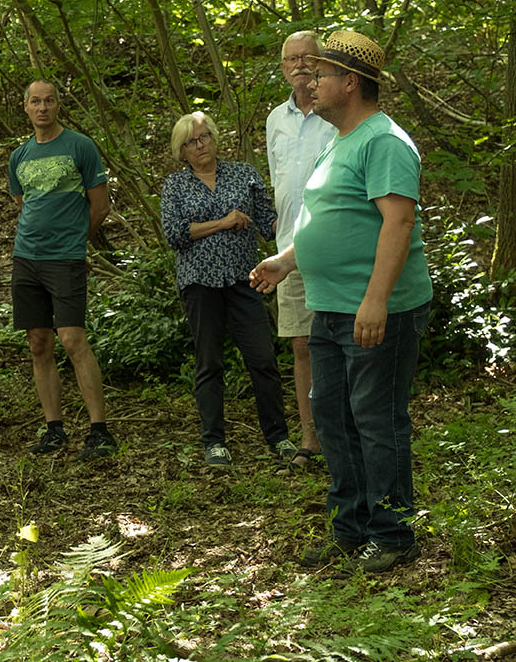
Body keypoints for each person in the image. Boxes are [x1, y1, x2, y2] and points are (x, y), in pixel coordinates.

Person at [251, 30, 432, 574]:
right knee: (332, 416)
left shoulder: (384, 142)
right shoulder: (341, 138)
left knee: (376, 419)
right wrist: (287, 260)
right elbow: (327, 218)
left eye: (321, 74)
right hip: (329, 306)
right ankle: (351, 527)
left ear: (349, 83)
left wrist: (375, 301)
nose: (309, 82)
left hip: (377, 310)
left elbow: (398, 223)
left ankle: (394, 533)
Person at [161, 112, 296, 468]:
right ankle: (214, 442)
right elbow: (175, 234)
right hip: (199, 284)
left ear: (216, 139)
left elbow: (268, 222)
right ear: (181, 151)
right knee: (209, 362)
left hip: (243, 279)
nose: (201, 144)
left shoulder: (244, 174)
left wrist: (298, 225)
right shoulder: (175, 186)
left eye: (205, 136)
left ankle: (278, 436)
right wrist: (224, 222)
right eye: (192, 141)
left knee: (263, 358)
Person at [8, 80, 118, 459]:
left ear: (58, 105)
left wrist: (74, 242)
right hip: (26, 259)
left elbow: (99, 206)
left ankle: (99, 430)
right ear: (25, 107)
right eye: (35, 101)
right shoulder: (19, 156)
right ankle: (54, 428)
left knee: (72, 339)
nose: (42, 107)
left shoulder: (80, 146)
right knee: (38, 342)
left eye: (49, 101)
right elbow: (26, 205)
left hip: (65, 259)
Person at [266, 30, 336, 472]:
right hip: (288, 251)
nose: (300, 65)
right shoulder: (276, 119)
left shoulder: (338, 115)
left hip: (336, 249)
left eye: (308, 57)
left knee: (341, 343)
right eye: (291, 59)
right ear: (284, 67)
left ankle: (341, 434)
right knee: (302, 345)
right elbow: (279, 183)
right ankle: (310, 439)